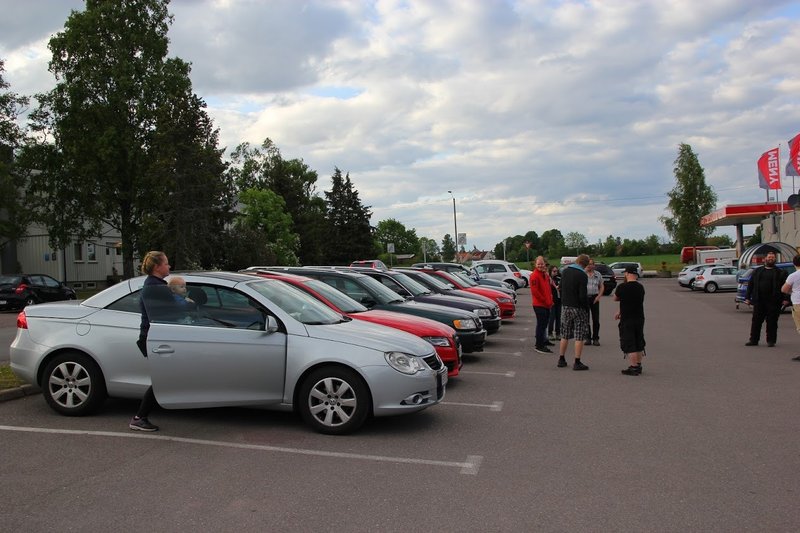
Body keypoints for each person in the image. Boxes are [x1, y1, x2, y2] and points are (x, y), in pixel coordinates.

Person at [130, 251, 171, 432]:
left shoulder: (156, 285)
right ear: (157, 267)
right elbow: (169, 311)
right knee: (162, 378)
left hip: (153, 336)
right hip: (154, 338)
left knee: (166, 377)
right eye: (166, 263)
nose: (169, 266)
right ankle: (139, 417)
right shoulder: (155, 288)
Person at [744, 251, 789, 347]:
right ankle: (753, 340)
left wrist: (786, 298)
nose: (770, 259)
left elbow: (786, 287)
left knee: (772, 322)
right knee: (756, 321)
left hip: (774, 301)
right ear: (765, 259)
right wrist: (747, 297)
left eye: (772, 257)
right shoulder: (757, 271)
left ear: (775, 259)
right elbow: (750, 284)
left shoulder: (780, 273)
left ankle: (771, 340)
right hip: (759, 301)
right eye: (769, 257)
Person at [557, 254, 590, 370]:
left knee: (564, 334)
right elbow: (582, 295)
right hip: (578, 307)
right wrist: (586, 307)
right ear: (585, 264)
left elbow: (559, 287)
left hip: (565, 306)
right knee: (579, 335)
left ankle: (561, 359)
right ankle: (577, 361)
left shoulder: (565, 271)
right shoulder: (582, 275)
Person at [614, 264, 646, 375]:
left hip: (627, 318)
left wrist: (620, 311)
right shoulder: (640, 287)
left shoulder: (622, 287)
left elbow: (615, 298)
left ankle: (633, 367)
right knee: (639, 341)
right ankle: (638, 365)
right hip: (639, 317)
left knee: (629, 342)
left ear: (627, 274)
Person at [530, 256, 554, 354]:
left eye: (542, 263)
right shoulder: (534, 276)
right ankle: (539, 345)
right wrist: (545, 300)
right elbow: (535, 291)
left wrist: (550, 300)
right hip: (539, 304)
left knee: (544, 324)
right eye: (538, 264)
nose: (540, 265)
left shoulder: (545, 275)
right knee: (541, 325)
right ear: (535, 265)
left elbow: (548, 288)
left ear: (545, 264)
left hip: (547, 304)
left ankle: (543, 341)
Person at [780, 254, 800, 361]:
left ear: (794, 263)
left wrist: (792, 290)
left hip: (798, 302)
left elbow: (784, 289)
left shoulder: (793, 275)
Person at [585, 258, 603, 346]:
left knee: (596, 319)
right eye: (588, 264)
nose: (589, 265)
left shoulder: (598, 274)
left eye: (591, 264)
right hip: (585, 298)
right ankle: (588, 338)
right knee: (586, 319)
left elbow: (601, 286)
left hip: (595, 298)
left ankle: (595, 338)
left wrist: (599, 296)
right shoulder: (582, 274)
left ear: (594, 265)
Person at [547, 265, 561, 341]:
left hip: (559, 301)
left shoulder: (559, 279)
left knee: (559, 318)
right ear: (550, 271)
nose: (556, 273)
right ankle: (550, 333)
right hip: (552, 301)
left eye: (556, 271)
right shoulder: (548, 279)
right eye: (554, 271)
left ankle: (558, 333)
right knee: (551, 318)